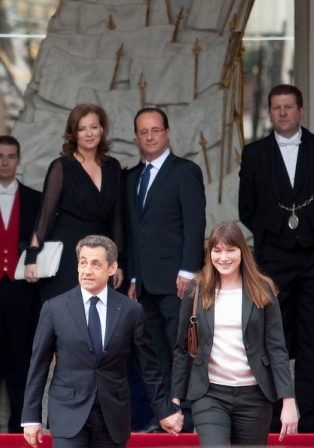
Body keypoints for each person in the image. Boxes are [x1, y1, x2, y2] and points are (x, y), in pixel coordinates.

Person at [21, 235, 183, 448]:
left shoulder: (131, 311)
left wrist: (164, 411)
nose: (87, 270)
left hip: (113, 415)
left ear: (112, 268)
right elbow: (38, 365)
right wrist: (31, 417)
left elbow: (148, 367)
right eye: (83, 263)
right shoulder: (55, 309)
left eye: (96, 264)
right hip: (67, 413)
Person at [171, 221, 298, 446]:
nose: (224, 257)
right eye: (217, 251)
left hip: (255, 397)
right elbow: (182, 348)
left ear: (242, 251)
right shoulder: (196, 289)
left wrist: (288, 401)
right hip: (209, 394)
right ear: (209, 253)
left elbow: (277, 348)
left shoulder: (262, 289)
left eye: (231, 250)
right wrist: (175, 399)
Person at [239, 84, 314, 432]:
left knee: (312, 337)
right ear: (269, 113)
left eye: (289, 107)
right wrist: (280, 233)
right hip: (272, 261)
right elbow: (246, 209)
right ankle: (271, 416)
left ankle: (310, 416)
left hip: (313, 258)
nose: (283, 113)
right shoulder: (254, 154)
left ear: (301, 111)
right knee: (274, 337)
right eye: (276, 108)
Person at [127, 108, 206, 432]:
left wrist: (189, 272)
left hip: (177, 282)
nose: (150, 137)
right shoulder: (130, 177)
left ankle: (185, 416)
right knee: (155, 352)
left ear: (168, 132)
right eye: (143, 132)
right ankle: (164, 416)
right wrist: (132, 277)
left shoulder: (185, 171)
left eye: (156, 130)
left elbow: (195, 224)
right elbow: (133, 231)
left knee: (182, 350)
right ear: (136, 137)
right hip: (144, 284)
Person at [24, 104, 123, 302]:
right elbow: (45, 216)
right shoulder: (61, 167)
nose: (89, 133)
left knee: (99, 322)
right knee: (67, 320)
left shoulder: (113, 166)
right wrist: (32, 257)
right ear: (73, 133)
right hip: (68, 256)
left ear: (102, 129)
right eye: (81, 128)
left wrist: (118, 262)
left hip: (101, 257)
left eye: (94, 127)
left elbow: (117, 219)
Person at [0, 136, 41, 433]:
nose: (5, 162)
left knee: (21, 364)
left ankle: (22, 433)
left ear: (18, 159)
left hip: (23, 292)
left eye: (10, 156)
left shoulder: (36, 199)